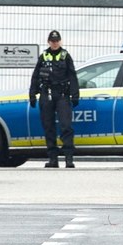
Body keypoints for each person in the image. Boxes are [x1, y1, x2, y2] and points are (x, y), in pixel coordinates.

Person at [29, 30, 79, 168]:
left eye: (57, 41)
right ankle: (53, 159)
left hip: (62, 94)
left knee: (66, 126)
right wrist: (32, 94)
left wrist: (75, 95)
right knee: (48, 126)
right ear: (49, 42)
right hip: (46, 94)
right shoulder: (43, 56)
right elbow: (35, 76)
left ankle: (69, 158)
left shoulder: (65, 56)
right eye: (52, 41)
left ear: (60, 41)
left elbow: (73, 76)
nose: (55, 43)